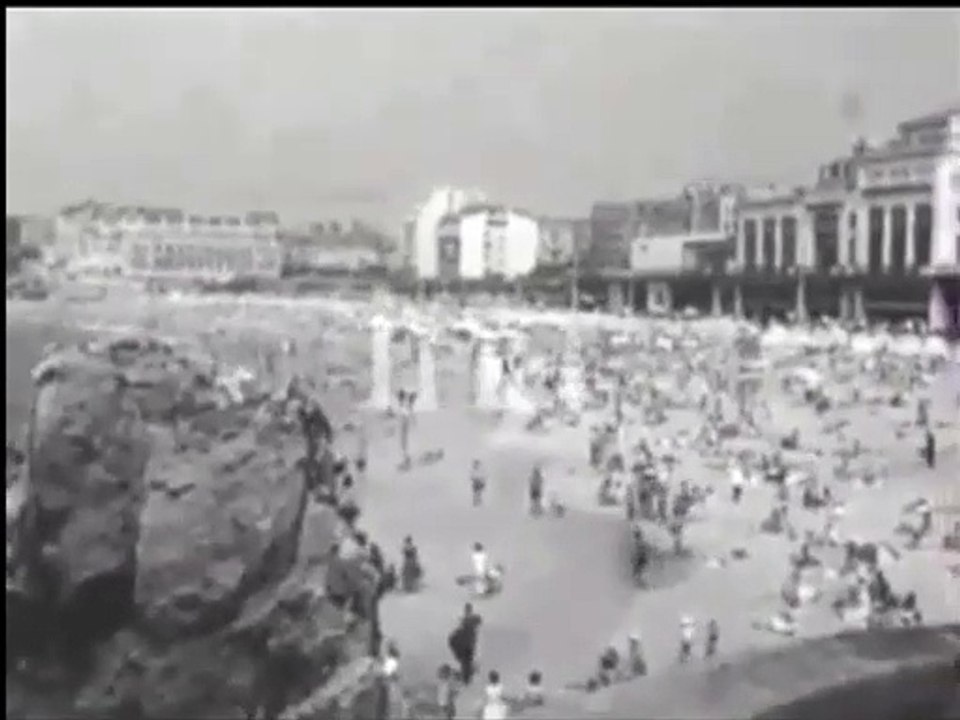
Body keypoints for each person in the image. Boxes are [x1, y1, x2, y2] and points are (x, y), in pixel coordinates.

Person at [448, 604, 482, 686]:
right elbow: (469, 641)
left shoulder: (468, 628)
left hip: (461, 645)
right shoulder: (469, 629)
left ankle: (466, 676)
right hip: (462, 646)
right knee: (465, 661)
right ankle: (466, 678)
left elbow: (454, 639)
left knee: (465, 661)